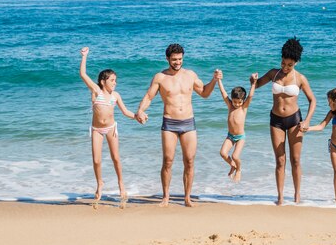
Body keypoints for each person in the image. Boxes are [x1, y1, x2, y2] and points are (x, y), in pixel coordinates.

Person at [135, 44, 220, 207]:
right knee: (168, 160)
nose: (177, 62)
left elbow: (204, 93)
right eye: (174, 59)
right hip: (170, 122)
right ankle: (165, 197)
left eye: (180, 59)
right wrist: (140, 110)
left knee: (189, 160)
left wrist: (214, 80)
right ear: (167, 59)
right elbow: (148, 96)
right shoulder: (160, 77)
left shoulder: (190, 75)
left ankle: (187, 197)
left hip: (188, 122)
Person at [251, 37, 316, 205]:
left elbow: (312, 100)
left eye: (289, 65)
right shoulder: (274, 73)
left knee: (295, 160)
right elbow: (257, 85)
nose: (285, 67)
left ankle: (297, 196)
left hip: (295, 120)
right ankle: (280, 197)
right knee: (280, 160)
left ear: (296, 63)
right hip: (276, 120)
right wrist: (252, 79)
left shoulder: (300, 78)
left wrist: (307, 121)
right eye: (283, 63)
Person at [79, 47, 136, 207]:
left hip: (111, 128)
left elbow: (125, 112)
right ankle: (100, 184)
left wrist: (138, 116)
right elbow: (83, 74)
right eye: (112, 80)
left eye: (116, 80)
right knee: (96, 160)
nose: (115, 83)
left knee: (116, 158)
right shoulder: (96, 91)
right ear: (103, 81)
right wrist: (85, 56)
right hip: (97, 129)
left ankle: (121, 184)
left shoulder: (115, 96)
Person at [217, 73, 258, 182]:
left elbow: (250, 96)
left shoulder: (243, 108)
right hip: (230, 136)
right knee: (223, 153)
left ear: (243, 101)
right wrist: (218, 80)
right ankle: (232, 165)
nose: (237, 104)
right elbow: (223, 93)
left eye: (239, 102)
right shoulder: (230, 106)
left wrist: (253, 83)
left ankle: (238, 169)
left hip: (240, 137)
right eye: (235, 102)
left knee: (235, 156)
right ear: (232, 99)